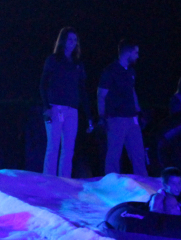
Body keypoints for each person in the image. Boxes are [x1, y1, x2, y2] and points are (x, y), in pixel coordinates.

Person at [40, 27, 92, 177]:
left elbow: (82, 90)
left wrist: (89, 116)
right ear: (63, 41)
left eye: (75, 40)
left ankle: (64, 182)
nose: (73, 43)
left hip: (72, 110)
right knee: (53, 146)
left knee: (69, 148)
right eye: (70, 39)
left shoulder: (78, 64)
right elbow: (43, 84)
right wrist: (46, 107)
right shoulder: (53, 60)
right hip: (55, 108)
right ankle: (48, 182)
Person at [98, 40, 147, 176]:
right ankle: (111, 185)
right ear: (128, 53)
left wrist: (139, 112)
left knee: (138, 155)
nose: (138, 56)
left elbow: (132, 91)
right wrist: (102, 117)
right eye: (136, 52)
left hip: (132, 118)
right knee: (114, 156)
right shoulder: (110, 71)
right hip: (116, 119)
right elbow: (101, 95)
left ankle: (143, 185)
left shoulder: (131, 71)